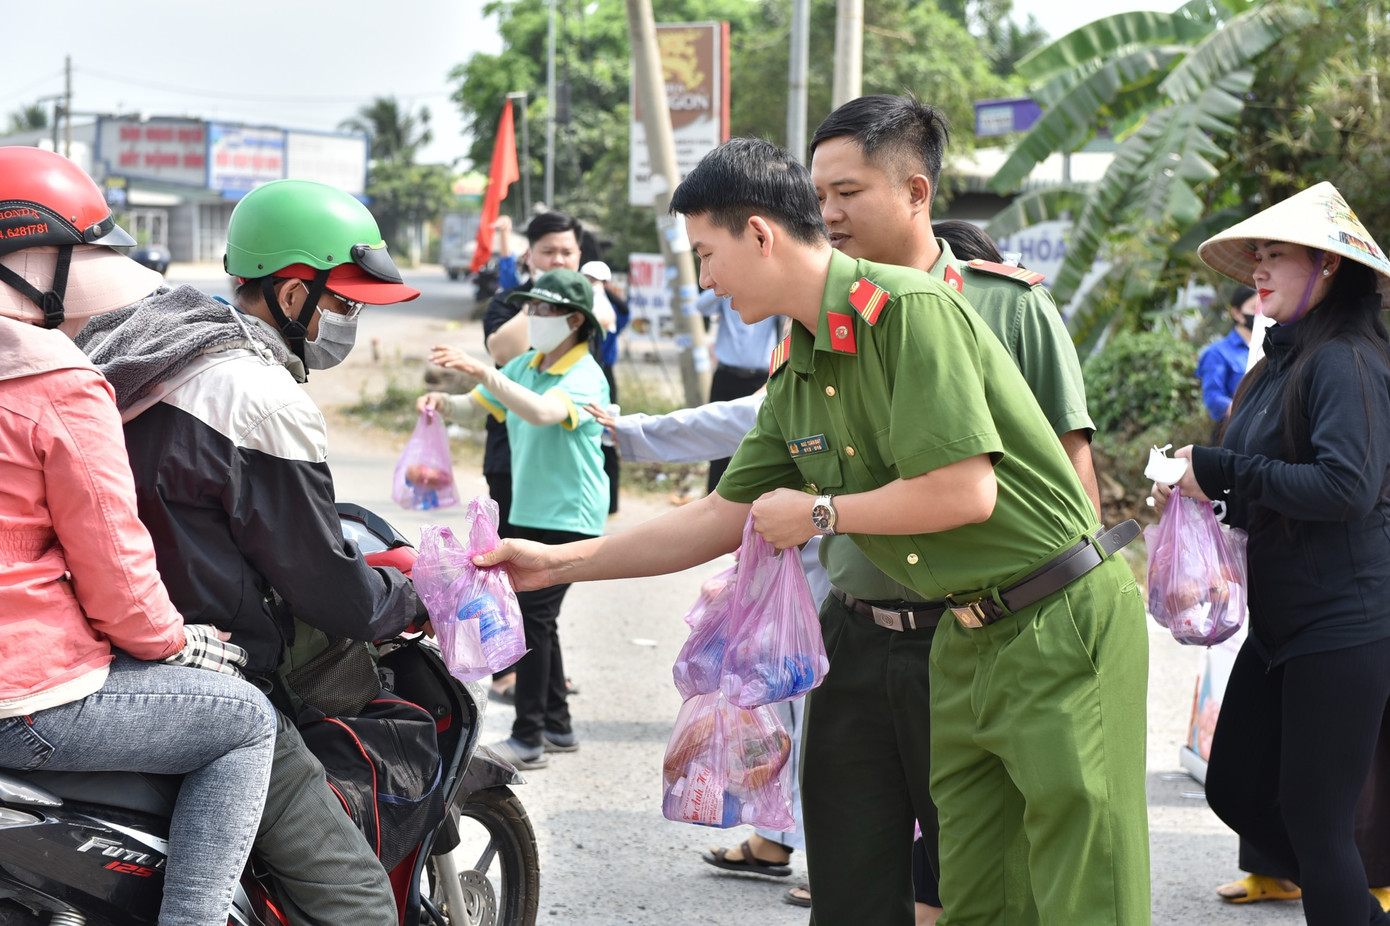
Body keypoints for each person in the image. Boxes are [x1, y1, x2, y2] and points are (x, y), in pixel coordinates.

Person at [475, 137, 1149, 926]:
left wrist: (823, 513)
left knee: (1084, 891)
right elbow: (719, 516)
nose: (707, 280)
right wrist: (557, 562)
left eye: (708, 254)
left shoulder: (909, 312)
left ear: (759, 233)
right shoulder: (799, 364)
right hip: (968, 637)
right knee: (979, 898)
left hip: (1056, 616)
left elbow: (965, 490)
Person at [76, 178, 425, 926]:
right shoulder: (258, 397)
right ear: (294, 295)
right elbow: (331, 592)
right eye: (345, 302)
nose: (350, 320)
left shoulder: (138, 341)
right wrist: (414, 595)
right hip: (206, 671)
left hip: (93, 642)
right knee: (361, 903)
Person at [804, 94, 1107, 924]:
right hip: (854, 630)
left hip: (975, 630)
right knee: (851, 873)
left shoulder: (1007, 306)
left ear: (915, 192)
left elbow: (1073, 479)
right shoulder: (826, 318)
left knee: (975, 875)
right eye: (819, 196)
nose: (828, 215)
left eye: (848, 193)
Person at [0, 145, 276, 926]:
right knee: (245, 722)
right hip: (24, 699)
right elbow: (114, 562)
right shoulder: (54, 381)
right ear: (34, 257)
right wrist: (170, 642)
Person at [1155, 181, 1390, 926]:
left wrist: (1219, 469)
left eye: (1276, 254)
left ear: (1328, 266)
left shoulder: (1347, 362)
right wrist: (1198, 492)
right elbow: (1266, 488)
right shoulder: (1276, 365)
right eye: (1255, 254)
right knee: (1236, 789)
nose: (1258, 268)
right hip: (1283, 623)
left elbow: (1344, 488)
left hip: (1345, 621)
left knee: (1321, 836)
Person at [420, 268, 610, 771]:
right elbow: (479, 407)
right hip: (532, 510)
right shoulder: (527, 363)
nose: (534, 318)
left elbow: (545, 412)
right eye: (532, 308)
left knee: (532, 618)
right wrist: (442, 402)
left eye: (544, 310)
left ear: (574, 319)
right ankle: (558, 725)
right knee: (540, 620)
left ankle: (529, 737)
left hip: (571, 514)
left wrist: (487, 373)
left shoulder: (585, 374)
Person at [479, 211, 586, 703]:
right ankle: (535, 696)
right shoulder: (510, 304)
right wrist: (540, 299)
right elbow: (501, 352)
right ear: (530, 254)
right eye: (549, 252)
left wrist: (567, 295)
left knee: (535, 603)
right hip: (511, 459)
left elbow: (556, 405)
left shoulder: (587, 309)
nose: (559, 259)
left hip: (563, 475)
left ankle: (537, 715)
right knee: (526, 593)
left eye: (567, 252)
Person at [697, 286, 782, 492]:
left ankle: (751, 503)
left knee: (761, 443)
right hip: (726, 375)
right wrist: (727, 283)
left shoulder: (770, 290)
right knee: (718, 441)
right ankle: (713, 503)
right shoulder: (727, 291)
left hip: (760, 378)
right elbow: (700, 306)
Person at [581, 259, 629, 514]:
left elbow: (617, 318)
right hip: (581, 372)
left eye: (595, 280)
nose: (591, 285)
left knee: (607, 436)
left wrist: (602, 290)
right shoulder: (580, 304)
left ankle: (611, 503)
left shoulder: (612, 308)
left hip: (604, 374)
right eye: (586, 279)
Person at [1197, 284, 1258, 423]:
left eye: (1263, 309)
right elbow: (1213, 398)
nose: (1260, 315)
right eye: (1255, 309)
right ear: (1236, 313)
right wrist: (1247, 413)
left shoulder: (1269, 348)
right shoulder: (1217, 352)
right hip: (1233, 430)